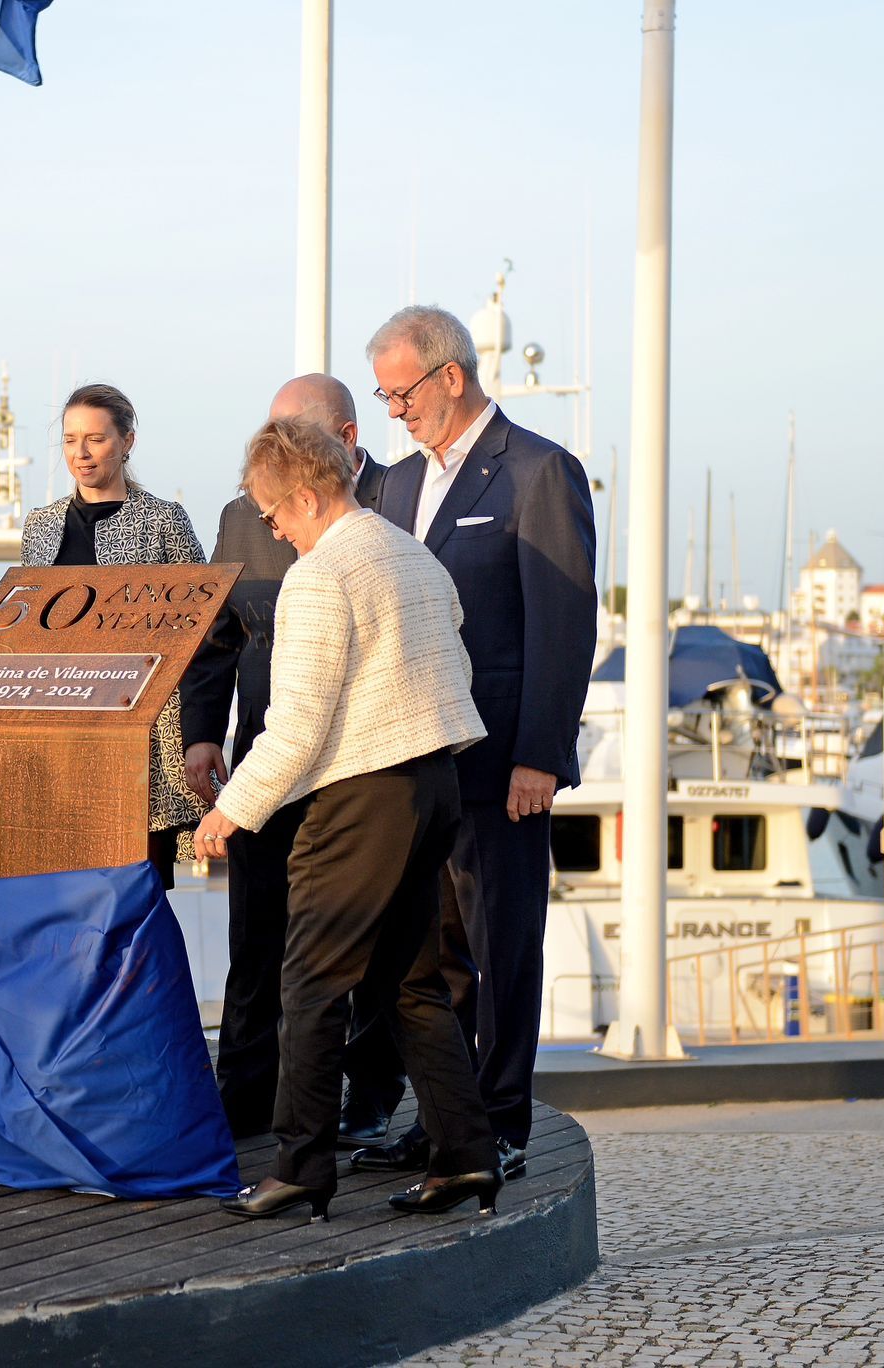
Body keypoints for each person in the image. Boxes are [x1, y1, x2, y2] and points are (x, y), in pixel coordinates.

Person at [196, 416, 501, 1223]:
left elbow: (296, 724)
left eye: (271, 514)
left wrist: (231, 811)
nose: (271, 529)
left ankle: (299, 1167)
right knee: (411, 985)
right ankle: (466, 1159)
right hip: (432, 785)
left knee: (312, 983)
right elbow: (457, 665)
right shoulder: (412, 555)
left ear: (304, 496)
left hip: (362, 797)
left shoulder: (320, 575)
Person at [354, 305, 597, 1177]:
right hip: (414, 759)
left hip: (501, 761)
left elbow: (563, 624)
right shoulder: (393, 484)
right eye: (382, 396)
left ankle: (500, 1122)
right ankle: (443, 1121)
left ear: (450, 376)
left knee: (503, 945)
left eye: (401, 391)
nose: (394, 410)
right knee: (433, 949)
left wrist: (540, 753)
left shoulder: (538, 472)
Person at [179, 374, 397, 1141]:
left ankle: (363, 1102)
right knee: (256, 936)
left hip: (352, 765)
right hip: (263, 757)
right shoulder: (243, 515)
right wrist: (203, 730)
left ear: (342, 437)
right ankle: (243, 1102)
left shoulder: (395, 505)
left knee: (358, 947)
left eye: (290, 436)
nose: (271, 454)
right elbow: (215, 637)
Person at [21, 382, 206, 889]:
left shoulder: (164, 520)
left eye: (96, 439)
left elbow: (201, 629)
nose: (80, 453)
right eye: (70, 439)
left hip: (142, 743)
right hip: (63, 739)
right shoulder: (39, 526)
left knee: (137, 894)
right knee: (65, 893)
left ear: (127, 441)